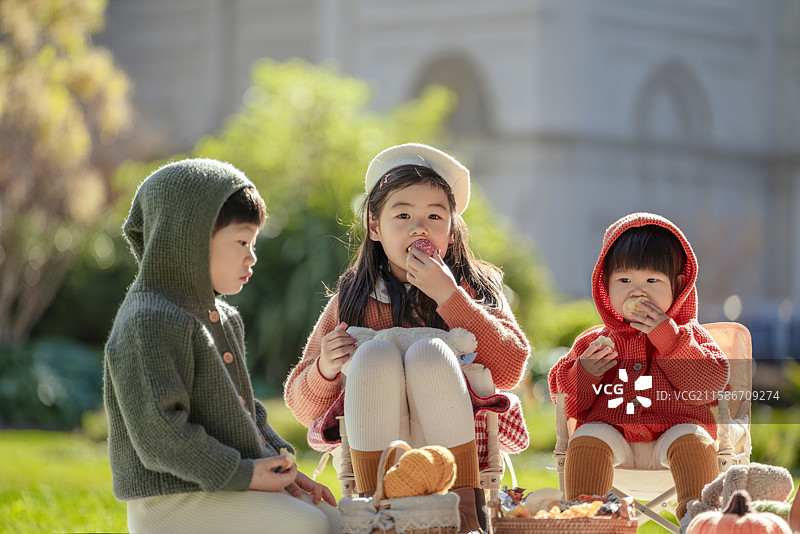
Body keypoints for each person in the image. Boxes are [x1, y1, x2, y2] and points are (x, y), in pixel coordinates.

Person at [284, 143, 531, 533]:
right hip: (378, 439)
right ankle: (376, 511)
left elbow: (510, 369)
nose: (420, 227)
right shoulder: (353, 298)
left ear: (451, 232)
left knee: (430, 352)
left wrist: (450, 296)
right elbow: (301, 405)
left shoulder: (475, 287)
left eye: (435, 215)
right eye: (403, 215)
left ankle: (464, 516)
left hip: (455, 439)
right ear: (374, 226)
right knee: (374, 356)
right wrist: (324, 367)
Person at [103, 159, 342, 534]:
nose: (253, 256)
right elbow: (159, 437)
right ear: (188, 240)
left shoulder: (222, 317)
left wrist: (280, 467)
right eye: (242, 241)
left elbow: (241, 411)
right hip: (171, 499)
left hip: (229, 484)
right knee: (306, 526)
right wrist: (245, 474)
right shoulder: (148, 320)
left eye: (255, 242)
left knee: (336, 519)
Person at [548, 212, 730, 520]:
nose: (637, 291)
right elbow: (567, 403)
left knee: (694, 440)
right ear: (605, 285)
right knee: (586, 436)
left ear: (679, 285)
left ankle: (699, 521)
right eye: (624, 280)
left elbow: (708, 385)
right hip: (613, 435)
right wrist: (585, 373)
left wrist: (669, 340)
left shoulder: (688, 336)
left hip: (674, 433)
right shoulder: (596, 343)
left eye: (652, 280)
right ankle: (586, 521)